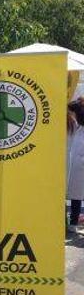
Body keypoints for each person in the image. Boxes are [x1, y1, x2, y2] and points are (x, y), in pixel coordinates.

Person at [68, 99, 84, 235]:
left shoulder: (78, 129)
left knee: (76, 195)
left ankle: (73, 222)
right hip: (77, 166)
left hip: (78, 166)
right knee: (76, 195)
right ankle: (73, 223)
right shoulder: (77, 128)